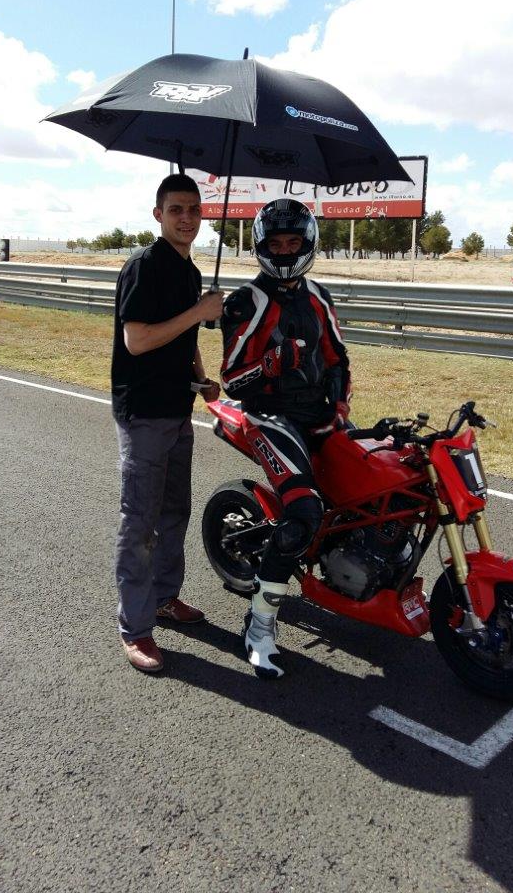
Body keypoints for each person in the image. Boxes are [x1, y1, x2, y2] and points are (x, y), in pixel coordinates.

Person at [220, 199, 351, 679]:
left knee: (369, 489)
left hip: (318, 414)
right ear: (261, 246)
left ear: (308, 244)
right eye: (275, 243)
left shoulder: (319, 295)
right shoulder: (246, 302)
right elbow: (232, 379)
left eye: (293, 242)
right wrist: (272, 364)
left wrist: (340, 406)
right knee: (303, 513)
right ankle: (258, 627)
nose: (284, 251)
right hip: (269, 415)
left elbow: (338, 360)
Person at [112, 173, 224, 673]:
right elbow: (137, 340)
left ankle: (163, 597)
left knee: (174, 511)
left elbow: (186, 338)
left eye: (194, 209)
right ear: (158, 214)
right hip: (144, 413)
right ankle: (136, 629)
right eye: (176, 209)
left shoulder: (190, 271)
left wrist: (201, 378)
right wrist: (199, 311)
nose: (186, 218)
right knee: (139, 522)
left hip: (178, 409)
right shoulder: (144, 266)